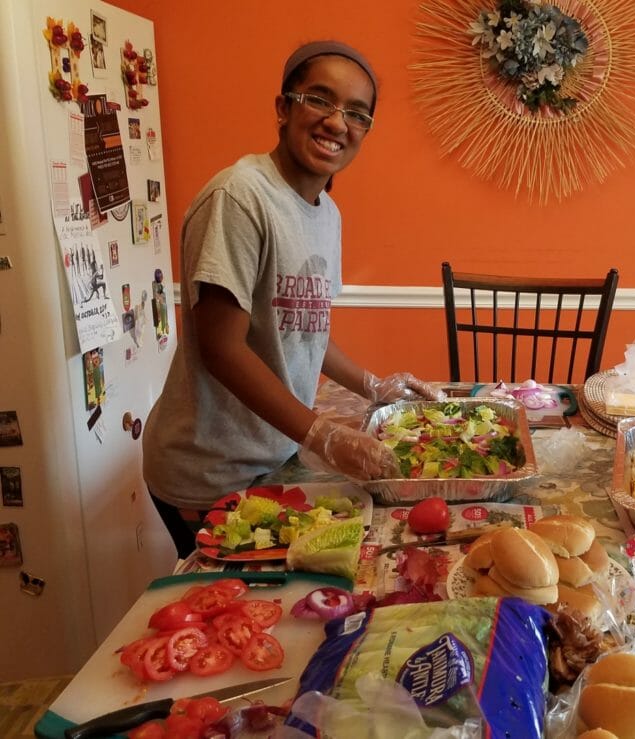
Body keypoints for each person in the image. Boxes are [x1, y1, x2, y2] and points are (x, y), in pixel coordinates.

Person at [143, 41, 442, 558]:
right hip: (210, 469)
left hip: (272, 454)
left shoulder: (326, 211)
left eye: (356, 113)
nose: (336, 122)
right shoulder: (239, 197)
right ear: (283, 108)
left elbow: (301, 327)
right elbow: (222, 349)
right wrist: (323, 435)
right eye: (318, 100)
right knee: (237, 611)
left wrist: (371, 385)